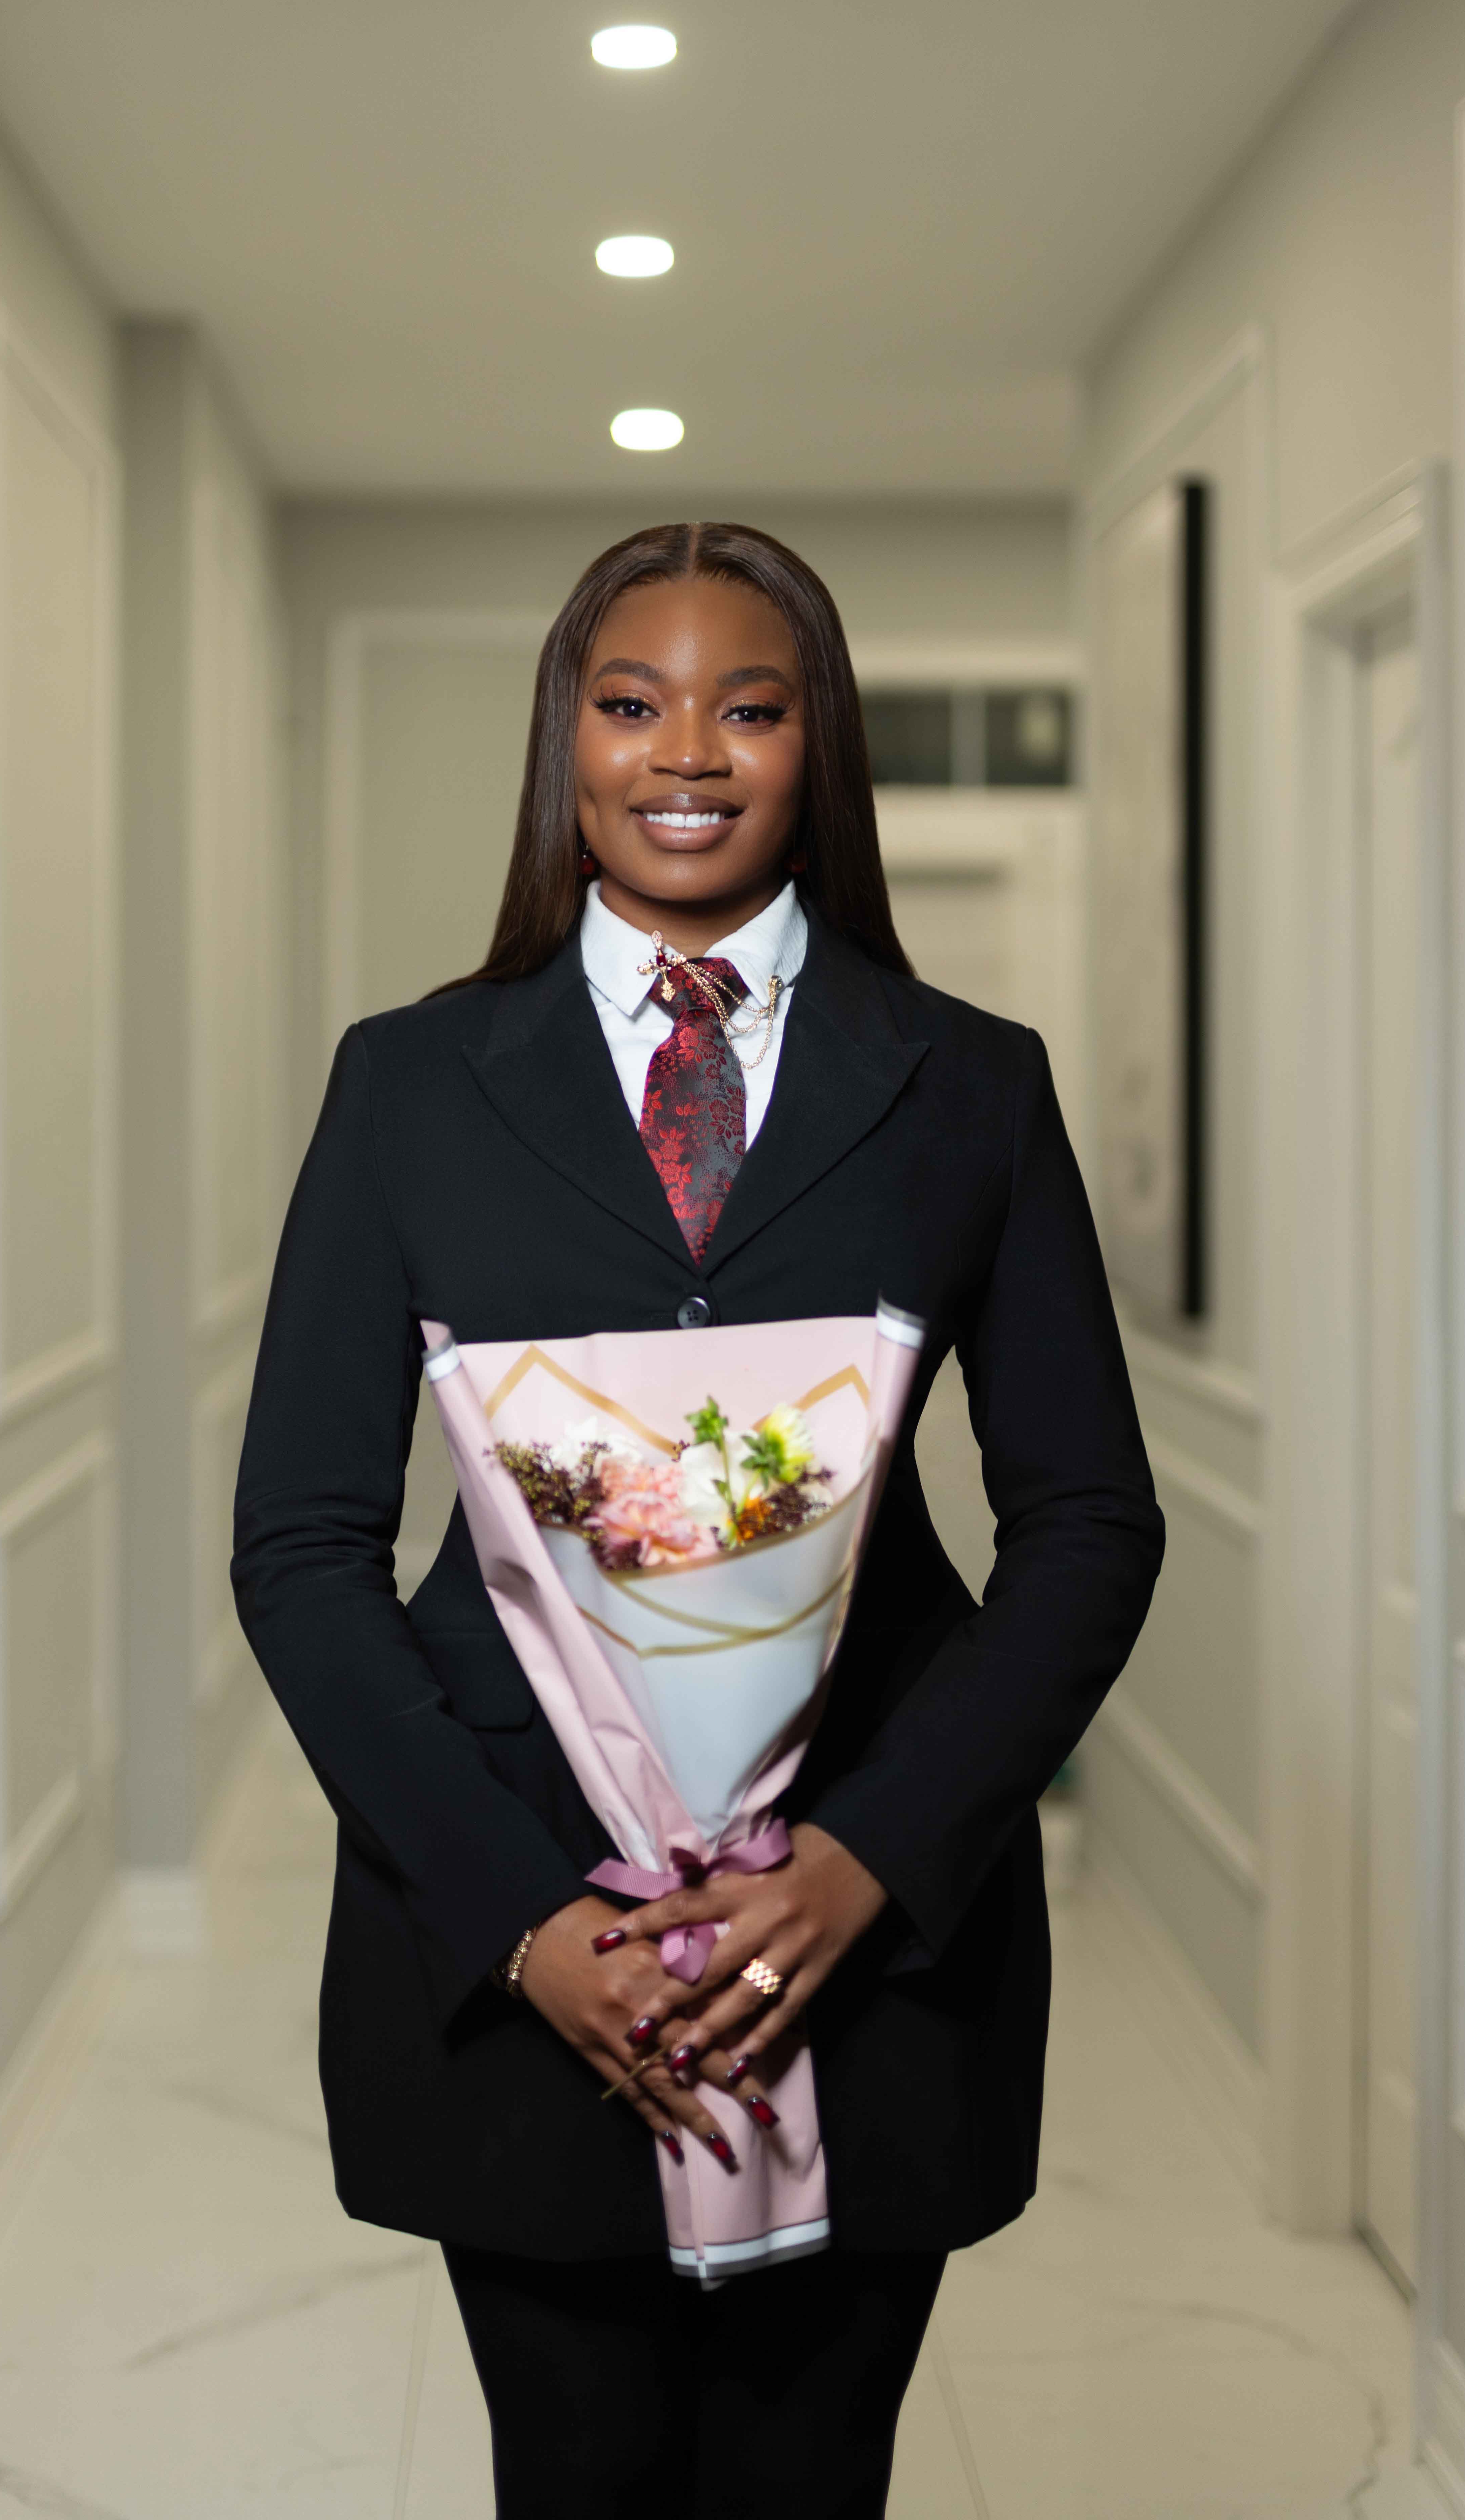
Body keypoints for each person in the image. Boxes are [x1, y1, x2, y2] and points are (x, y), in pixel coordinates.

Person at [232, 520, 1163, 2519]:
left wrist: (862, 1865)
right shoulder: (404, 1088)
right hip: (523, 1938)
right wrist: (524, 1920)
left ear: (815, 745)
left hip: (865, 1957)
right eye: (631, 703)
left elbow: (1087, 1520)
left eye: (749, 707)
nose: (688, 754)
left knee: (813, 2477)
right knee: (568, 2475)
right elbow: (301, 1543)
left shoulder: (968, 1089)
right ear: (565, 739)